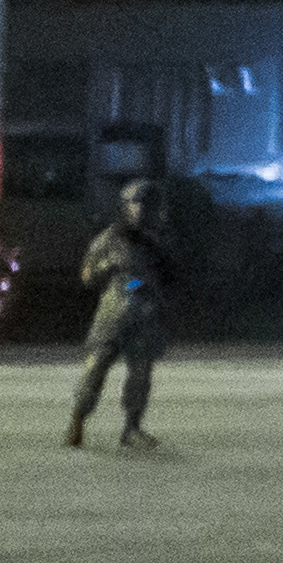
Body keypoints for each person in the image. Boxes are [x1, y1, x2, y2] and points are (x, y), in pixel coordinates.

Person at [63, 172, 170, 452]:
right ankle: (77, 421)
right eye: (138, 204)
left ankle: (132, 428)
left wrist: (143, 283)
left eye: (149, 205)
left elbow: (155, 279)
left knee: (140, 376)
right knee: (95, 370)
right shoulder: (107, 240)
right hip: (111, 317)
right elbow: (88, 276)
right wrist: (108, 268)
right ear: (126, 206)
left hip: (142, 317)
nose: (143, 211)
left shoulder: (153, 245)